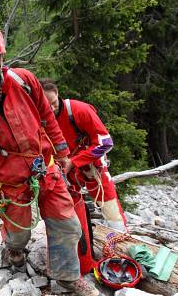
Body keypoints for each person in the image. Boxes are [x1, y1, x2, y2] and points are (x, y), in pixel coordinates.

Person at [0, 23, 105, 296]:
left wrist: (64, 152)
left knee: (67, 224)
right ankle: (15, 251)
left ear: (2, 61)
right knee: (18, 234)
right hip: (10, 186)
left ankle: (68, 276)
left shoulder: (24, 82)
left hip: (46, 170)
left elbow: (47, 115)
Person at [41, 79, 127, 231]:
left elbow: (105, 142)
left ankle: (122, 240)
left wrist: (74, 161)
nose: (52, 109)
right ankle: (82, 249)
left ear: (57, 94)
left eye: (54, 102)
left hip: (92, 168)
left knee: (111, 210)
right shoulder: (39, 119)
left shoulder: (79, 110)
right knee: (70, 215)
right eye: (47, 106)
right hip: (63, 173)